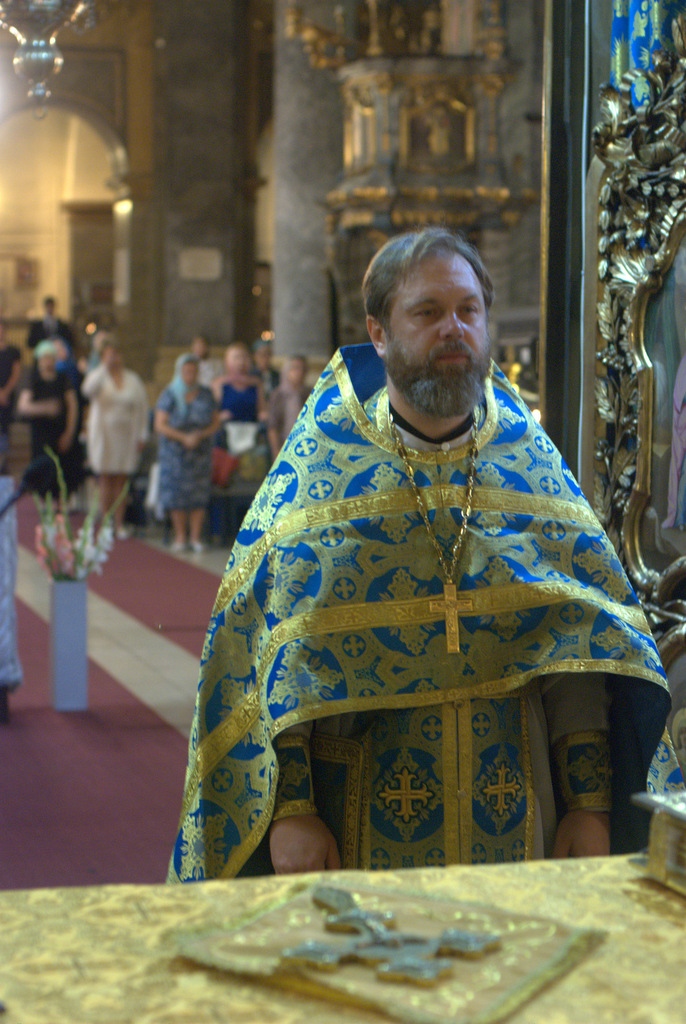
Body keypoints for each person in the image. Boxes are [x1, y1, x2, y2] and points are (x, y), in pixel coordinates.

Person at [168, 228, 681, 884]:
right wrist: (291, 810)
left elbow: (576, 651)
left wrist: (588, 800)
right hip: (356, 815)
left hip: (517, 810)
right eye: (428, 312)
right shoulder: (320, 472)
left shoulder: (530, 467)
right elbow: (274, 656)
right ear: (378, 333)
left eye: (469, 310)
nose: (454, 329)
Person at [82, 340, 149, 539]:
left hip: (127, 435)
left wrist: (142, 434)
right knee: (105, 479)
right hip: (104, 435)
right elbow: (87, 390)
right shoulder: (99, 377)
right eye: (109, 355)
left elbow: (142, 408)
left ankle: (119, 524)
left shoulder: (133, 379)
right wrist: (103, 368)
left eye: (116, 354)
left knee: (121, 480)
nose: (114, 358)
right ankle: (106, 523)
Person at [155, 353, 221, 553]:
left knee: (198, 495)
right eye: (187, 371)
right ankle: (180, 536)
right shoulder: (169, 394)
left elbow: (215, 421)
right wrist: (183, 438)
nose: (190, 375)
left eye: (194, 371)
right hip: (175, 453)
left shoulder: (206, 394)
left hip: (200, 453)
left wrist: (201, 434)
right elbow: (160, 424)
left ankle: (195, 537)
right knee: (177, 495)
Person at [17, 340, 78, 497]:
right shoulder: (33, 378)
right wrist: (45, 408)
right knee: (42, 476)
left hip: (60, 434)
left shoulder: (63, 378)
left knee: (61, 476)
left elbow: (73, 407)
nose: (47, 361)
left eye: (50, 357)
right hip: (41, 437)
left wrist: (69, 433)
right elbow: (23, 406)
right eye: (44, 357)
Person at [266, 354, 311, 462]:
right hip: (285, 445)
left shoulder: (310, 394)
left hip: (307, 445)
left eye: (303, 369)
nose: (299, 372)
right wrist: (276, 452)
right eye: (295, 368)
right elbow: (273, 426)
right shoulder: (278, 395)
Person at [0, 321, 21, 473]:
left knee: (5, 428)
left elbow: (16, 373)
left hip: (8, 396)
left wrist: (5, 393)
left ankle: (3, 462)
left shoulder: (14, 351)